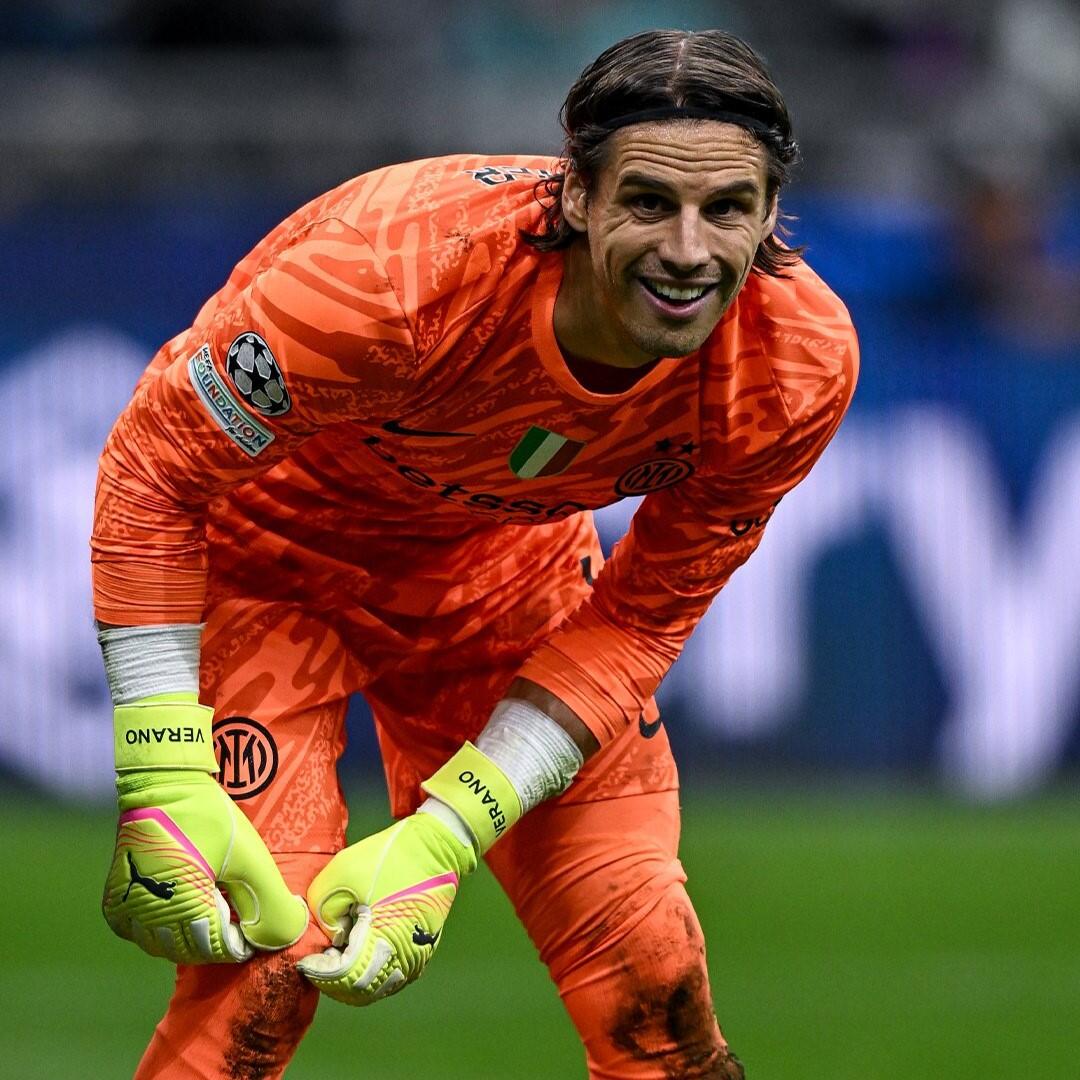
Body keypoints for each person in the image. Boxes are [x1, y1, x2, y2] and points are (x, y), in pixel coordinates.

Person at [92, 27, 857, 1080]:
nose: (689, 250)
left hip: (504, 578)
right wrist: (160, 768)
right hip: (268, 567)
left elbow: (642, 619)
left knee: (655, 994)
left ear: (771, 213)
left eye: (728, 208)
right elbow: (154, 464)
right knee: (261, 978)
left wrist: (446, 835)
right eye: (647, 203)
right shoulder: (393, 281)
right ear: (577, 196)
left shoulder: (795, 365)